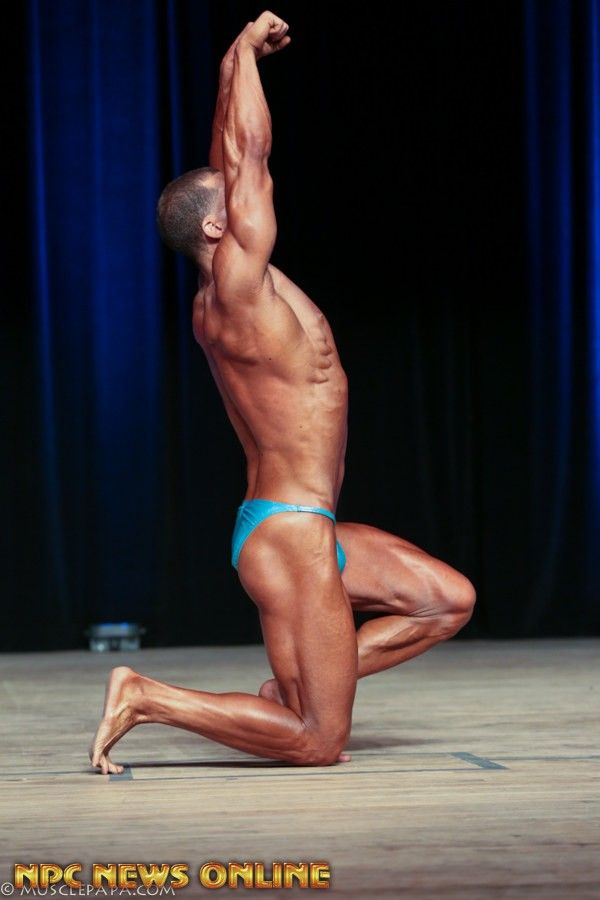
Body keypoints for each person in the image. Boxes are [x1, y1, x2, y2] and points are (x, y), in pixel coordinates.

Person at [89, 12, 475, 775]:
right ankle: (146, 696)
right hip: (292, 534)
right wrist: (243, 49)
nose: (249, 195)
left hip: (304, 523)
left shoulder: (232, 288)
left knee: (446, 600)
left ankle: (302, 684)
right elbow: (249, 151)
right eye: (234, 199)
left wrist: (232, 70)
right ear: (216, 230)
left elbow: (228, 156)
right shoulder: (236, 292)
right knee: (316, 740)